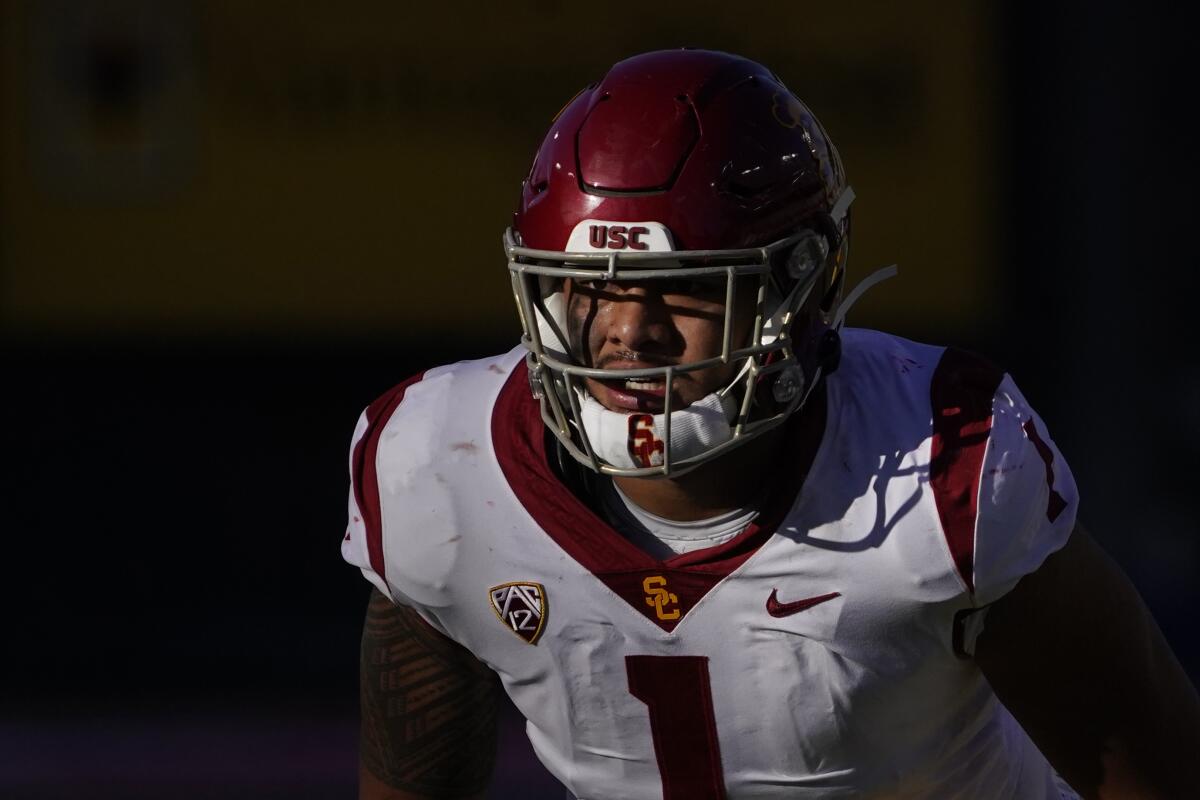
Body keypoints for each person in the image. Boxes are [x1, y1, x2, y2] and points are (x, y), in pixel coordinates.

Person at [342, 49, 1200, 799]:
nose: (628, 330)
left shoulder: (937, 468)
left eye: (686, 285)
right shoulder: (437, 472)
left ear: (799, 288)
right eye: (590, 283)